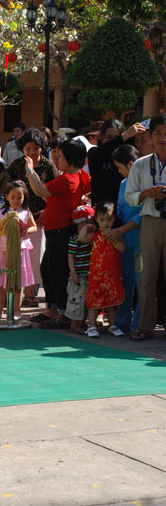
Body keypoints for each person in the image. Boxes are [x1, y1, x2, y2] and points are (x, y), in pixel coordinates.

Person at [25, 139, 91, 329]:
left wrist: (30, 170)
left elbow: (40, 190)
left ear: (70, 159)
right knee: (48, 270)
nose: (56, 158)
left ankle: (63, 313)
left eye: (60, 156)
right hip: (59, 230)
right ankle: (52, 309)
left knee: (57, 273)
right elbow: (48, 196)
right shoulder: (79, 176)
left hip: (61, 231)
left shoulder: (67, 179)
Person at [125, 113, 166, 340]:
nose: (163, 138)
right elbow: (130, 197)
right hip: (149, 221)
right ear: (151, 136)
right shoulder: (141, 164)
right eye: (158, 133)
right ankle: (145, 326)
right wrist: (147, 193)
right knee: (146, 276)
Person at [7, 127, 57, 306]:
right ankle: (17, 293)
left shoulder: (47, 165)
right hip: (19, 217)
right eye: (27, 148)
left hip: (39, 217)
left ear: (42, 148)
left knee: (36, 256)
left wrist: (46, 210)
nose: (31, 152)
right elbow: (8, 187)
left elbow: (54, 191)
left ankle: (30, 293)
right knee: (19, 255)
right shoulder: (16, 164)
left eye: (35, 148)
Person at [79, 200, 126, 338]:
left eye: (109, 220)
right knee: (93, 302)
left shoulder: (116, 233)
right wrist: (87, 226)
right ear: (96, 220)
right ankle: (92, 326)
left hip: (111, 274)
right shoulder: (95, 233)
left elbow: (122, 248)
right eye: (102, 220)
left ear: (114, 218)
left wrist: (114, 239)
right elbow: (81, 238)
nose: (106, 223)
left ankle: (112, 325)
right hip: (96, 275)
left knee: (111, 302)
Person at [0, 180, 37, 320]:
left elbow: (34, 227)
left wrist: (25, 230)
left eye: (19, 197)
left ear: (24, 197)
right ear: (6, 197)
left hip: (19, 251)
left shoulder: (26, 212)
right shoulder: (3, 212)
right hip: (4, 250)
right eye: (13, 197)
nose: (16, 200)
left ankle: (17, 310)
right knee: (1, 282)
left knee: (18, 281)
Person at [109, 145, 142, 333]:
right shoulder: (123, 183)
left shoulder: (144, 183)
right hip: (122, 241)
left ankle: (139, 325)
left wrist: (121, 229)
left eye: (120, 167)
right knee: (125, 283)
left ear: (130, 164)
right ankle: (121, 322)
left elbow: (142, 214)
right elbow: (120, 210)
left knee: (141, 284)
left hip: (141, 238)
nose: (119, 171)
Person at [87, 119, 146, 205]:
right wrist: (124, 135)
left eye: (116, 138)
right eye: (108, 137)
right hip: (102, 209)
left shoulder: (128, 154)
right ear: (102, 137)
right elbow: (104, 149)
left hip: (124, 207)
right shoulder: (94, 153)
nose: (113, 141)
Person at [65, 206, 95, 334]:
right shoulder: (75, 239)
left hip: (89, 274)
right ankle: (74, 324)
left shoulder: (91, 237)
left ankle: (82, 323)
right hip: (79, 275)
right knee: (76, 300)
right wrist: (73, 273)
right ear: (83, 224)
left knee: (85, 300)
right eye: (90, 223)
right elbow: (70, 257)